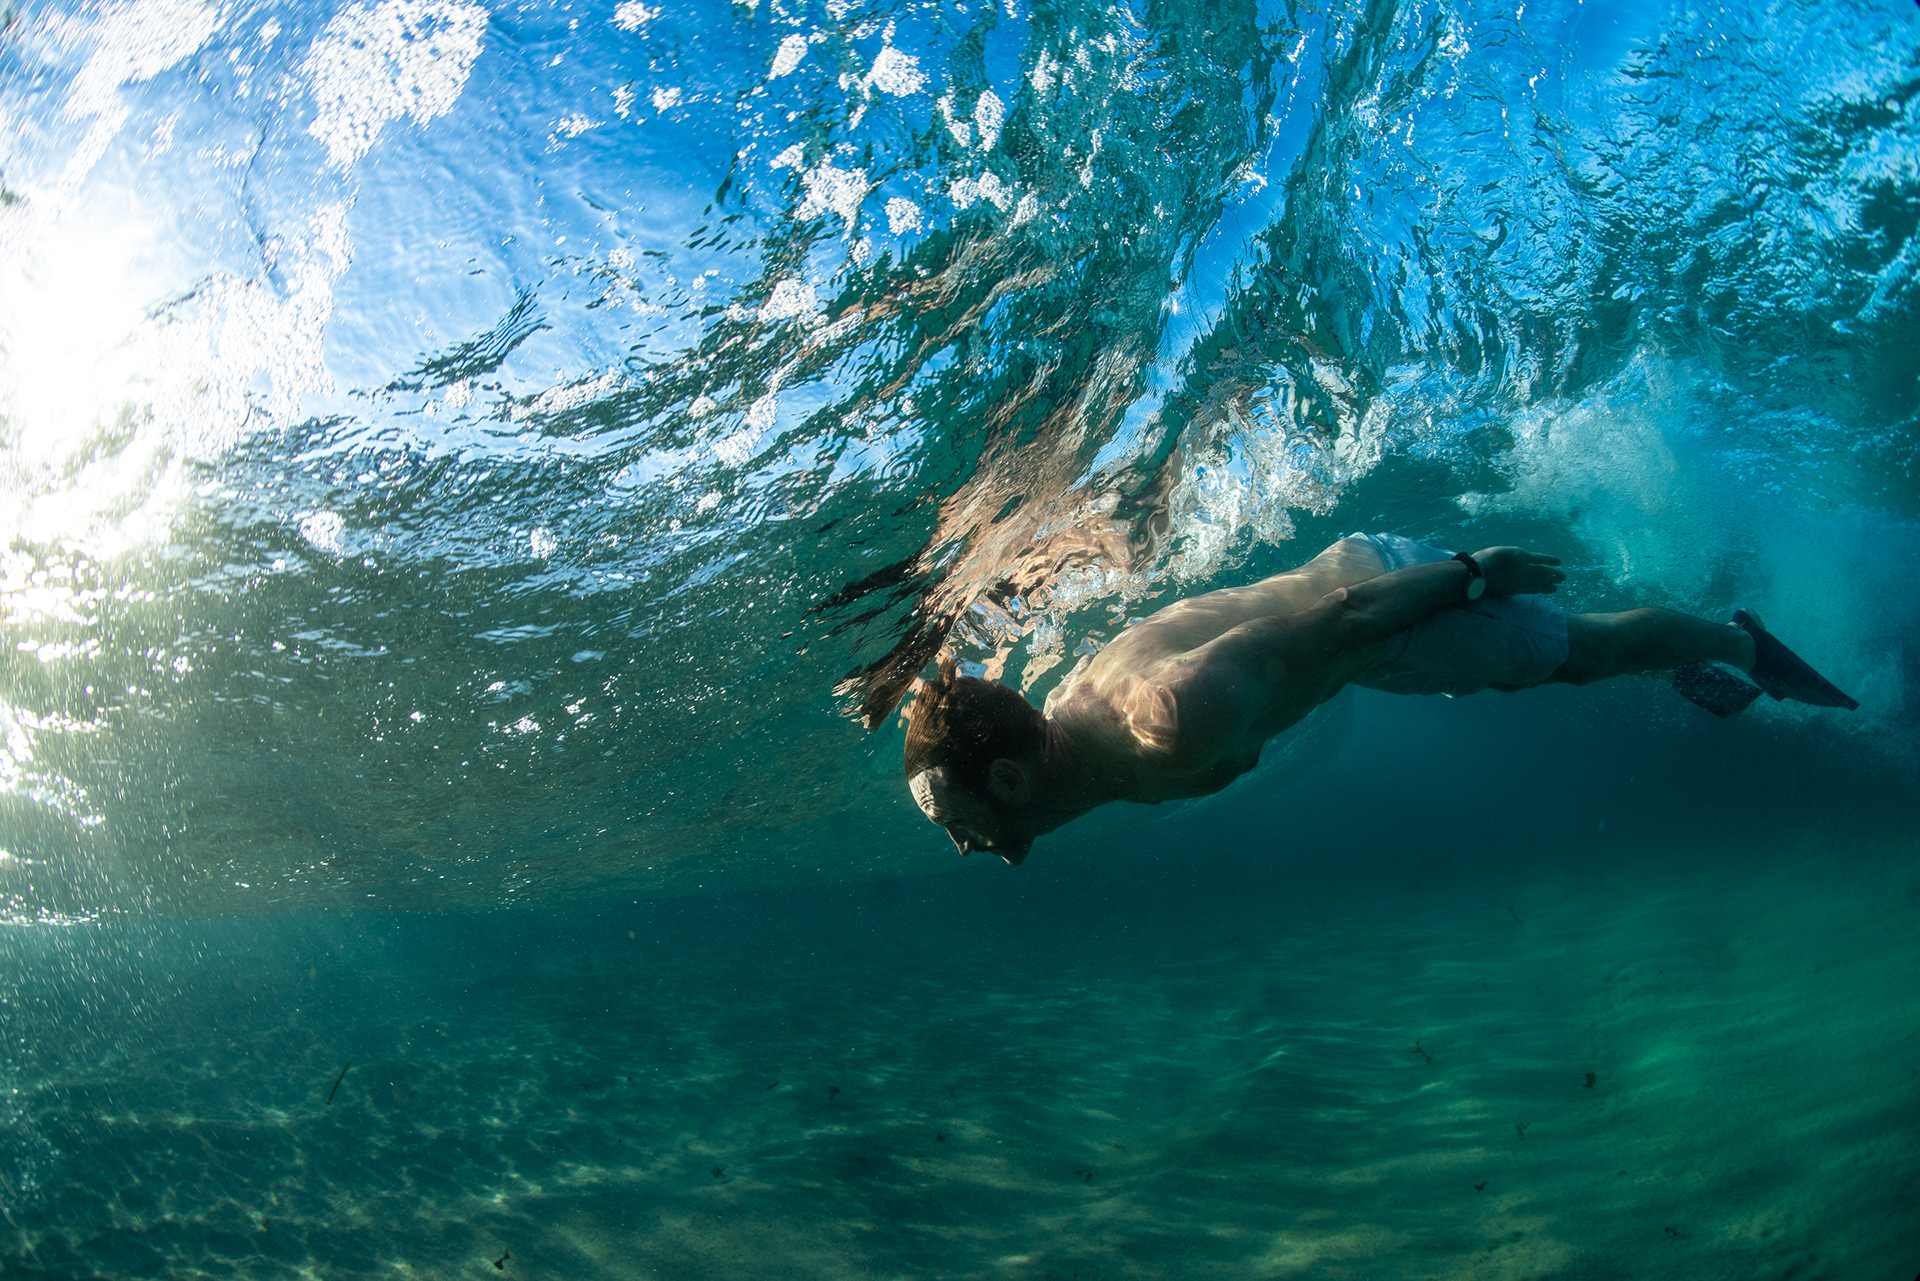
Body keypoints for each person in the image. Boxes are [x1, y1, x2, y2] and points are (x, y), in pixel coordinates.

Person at [903, 532, 1858, 865]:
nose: (963, 843)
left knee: (1584, 653)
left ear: (1011, 779)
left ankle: (1743, 641)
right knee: (1568, 660)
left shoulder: (1167, 721)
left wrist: (1471, 573)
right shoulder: (1070, 720)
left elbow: (1340, 622)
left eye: (960, 820)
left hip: (1387, 606)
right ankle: (1696, 656)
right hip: (1360, 639)